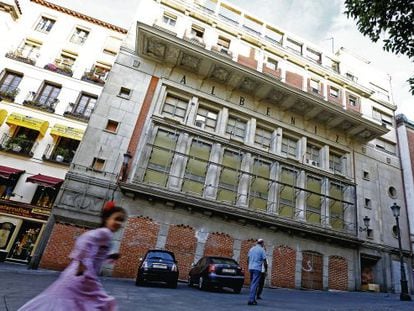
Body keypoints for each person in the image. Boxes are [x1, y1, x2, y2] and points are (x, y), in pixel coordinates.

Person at [18, 203, 126, 311]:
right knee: (93, 303)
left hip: (79, 274)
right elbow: (84, 240)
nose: (118, 223)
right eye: (116, 219)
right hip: (83, 274)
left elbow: (95, 254)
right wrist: (81, 263)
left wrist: (110, 256)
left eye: (121, 220)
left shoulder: (107, 234)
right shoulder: (105, 232)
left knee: (70, 303)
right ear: (107, 218)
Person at [247, 238, 267, 306]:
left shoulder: (252, 249)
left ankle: (253, 299)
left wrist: (249, 266)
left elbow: (248, 259)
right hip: (257, 269)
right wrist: (266, 270)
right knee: (254, 284)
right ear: (262, 243)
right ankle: (251, 300)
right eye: (263, 243)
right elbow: (265, 261)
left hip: (251, 268)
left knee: (252, 284)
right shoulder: (262, 250)